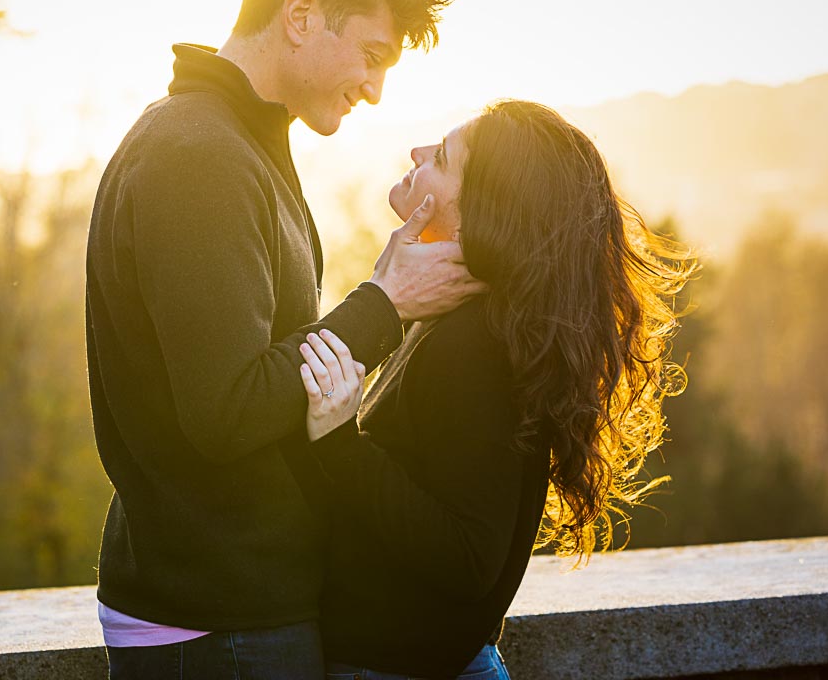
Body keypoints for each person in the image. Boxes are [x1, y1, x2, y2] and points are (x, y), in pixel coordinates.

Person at [86, 0, 484, 679]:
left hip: (235, 607)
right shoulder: (197, 158)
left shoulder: (238, 143)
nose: (375, 88)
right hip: (214, 622)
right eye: (372, 57)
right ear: (300, 17)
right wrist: (384, 305)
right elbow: (227, 410)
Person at [298, 100, 697, 679]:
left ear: (477, 209)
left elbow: (467, 556)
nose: (414, 154)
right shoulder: (475, 326)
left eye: (439, 157)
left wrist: (338, 444)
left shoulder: (473, 347)